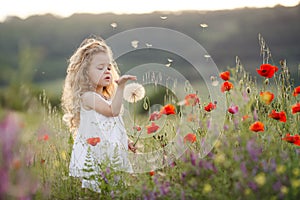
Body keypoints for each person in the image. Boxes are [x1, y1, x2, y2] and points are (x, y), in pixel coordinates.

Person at [61, 36, 137, 192]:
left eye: (109, 67)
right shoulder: (88, 97)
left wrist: (125, 139)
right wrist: (121, 86)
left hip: (109, 154)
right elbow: (112, 112)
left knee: (115, 188)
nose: (107, 71)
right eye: (100, 67)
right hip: (97, 157)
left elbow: (111, 124)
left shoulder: (105, 97)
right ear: (85, 72)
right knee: (100, 189)